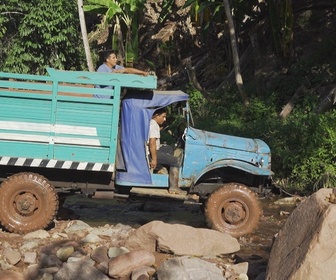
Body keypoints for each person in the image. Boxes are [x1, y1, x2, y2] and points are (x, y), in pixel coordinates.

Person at [148, 108, 183, 194]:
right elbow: (152, 142)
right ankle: (174, 187)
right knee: (175, 161)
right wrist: (154, 159)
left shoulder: (153, 123)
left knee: (169, 148)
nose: (164, 119)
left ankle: (163, 169)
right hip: (151, 153)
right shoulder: (153, 125)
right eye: (163, 117)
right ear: (156, 116)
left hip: (154, 150)